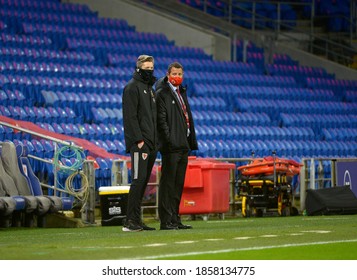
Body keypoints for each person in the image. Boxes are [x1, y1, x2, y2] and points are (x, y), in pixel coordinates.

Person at [155, 62, 198, 230]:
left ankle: (175, 218)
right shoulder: (162, 93)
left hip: (182, 145)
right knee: (168, 184)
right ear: (167, 74)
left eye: (180, 74)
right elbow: (161, 120)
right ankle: (166, 220)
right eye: (174, 74)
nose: (177, 77)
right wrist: (169, 140)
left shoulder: (181, 92)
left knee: (178, 184)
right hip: (171, 147)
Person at [122, 54, 158, 232]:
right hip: (140, 144)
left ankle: (137, 219)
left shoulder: (150, 89)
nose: (149, 71)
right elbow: (130, 117)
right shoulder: (132, 88)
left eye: (151, 68)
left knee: (143, 182)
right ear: (138, 68)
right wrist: (139, 140)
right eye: (146, 68)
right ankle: (129, 221)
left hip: (151, 143)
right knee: (138, 180)